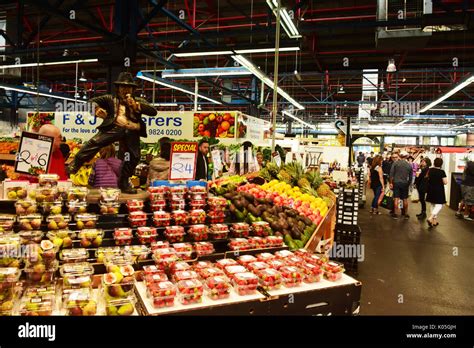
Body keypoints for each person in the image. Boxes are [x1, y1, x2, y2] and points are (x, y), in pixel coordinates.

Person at [67, 72, 157, 194]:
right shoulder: (110, 99)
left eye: (128, 87)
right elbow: (91, 102)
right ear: (118, 89)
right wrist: (97, 108)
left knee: (134, 157)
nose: (125, 90)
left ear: (133, 89)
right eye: (122, 87)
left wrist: (137, 106)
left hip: (131, 131)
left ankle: (124, 182)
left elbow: (153, 112)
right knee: (95, 142)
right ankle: (76, 163)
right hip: (114, 127)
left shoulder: (138, 101)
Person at [389, 151, 413, 219]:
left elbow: (391, 174)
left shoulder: (395, 163)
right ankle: (405, 214)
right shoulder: (409, 165)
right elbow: (411, 177)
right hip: (405, 183)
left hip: (396, 182)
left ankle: (396, 214)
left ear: (400, 156)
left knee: (396, 198)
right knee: (405, 199)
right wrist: (408, 184)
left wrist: (391, 183)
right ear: (406, 156)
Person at [426, 157, 447, 227]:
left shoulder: (430, 170)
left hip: (431, 189)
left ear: (434, 163)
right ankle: (431, 218)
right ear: (441, 164)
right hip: (439, 190)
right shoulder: (442, 172)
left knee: (433, 204)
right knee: (439, 205)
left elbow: (427, 178)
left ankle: (434, 221)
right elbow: (445, 182)